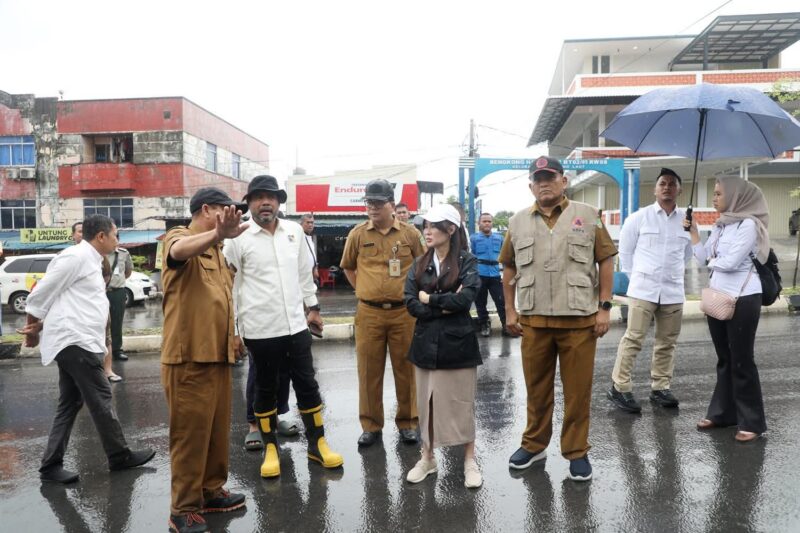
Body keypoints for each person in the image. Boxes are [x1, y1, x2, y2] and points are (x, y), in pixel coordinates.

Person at [500, 156, 617, 482]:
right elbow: (508, 267)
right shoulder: (517, 222)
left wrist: (604, 307)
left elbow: (605, 260)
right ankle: (534, 444)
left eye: (550, 177)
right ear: (531, 185)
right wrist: (510, 310)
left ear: (563, 181)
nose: (544, 183)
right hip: (534, 322)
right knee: (536, 391)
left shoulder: (589, 216)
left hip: (579, 322)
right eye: (538, 179)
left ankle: (577, 452)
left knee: (578, 393)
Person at [19, 214, 155, 485]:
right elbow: (40, 295)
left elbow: (67, 302)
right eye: (115, 234)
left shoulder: (91, 261)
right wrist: (32, 330)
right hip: (76, 342)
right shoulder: (76, 257)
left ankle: (50, 465)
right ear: (101, 236)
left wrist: (41, 325)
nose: (118, 240)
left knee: (70, 403)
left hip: (79, 340)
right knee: (101, 396)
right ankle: (119, 456)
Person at [224, 175, 343, 478]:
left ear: (278, 202)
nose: (266, 202)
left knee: (308, 385)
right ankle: (271, 449)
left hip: (296, 326)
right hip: (260, 328)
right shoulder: (237, 237)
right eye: (259, 197)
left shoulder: (293, 232)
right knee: (265, 389)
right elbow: (232, 286)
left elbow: (305, 275)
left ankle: (318, 445)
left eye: (272, 197)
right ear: (249, 202)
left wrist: (313, 308)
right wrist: (235, 331)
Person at [161, 187, 249, 533]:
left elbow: (223, 302)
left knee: (215, 431)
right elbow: (178, 252)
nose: (232, 216)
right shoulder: (181, 237)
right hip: (188, 358)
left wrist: (235, 337)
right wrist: (217, 233)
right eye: (226, 210)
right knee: (189, 435)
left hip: (218, 355)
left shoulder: (217, 250)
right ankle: (182, 507)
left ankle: (211, 491)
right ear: (207, 209)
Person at [340, 178, 426, 447]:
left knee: (407, 370)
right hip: (369, 314)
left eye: (378, 202)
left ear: (392, 204)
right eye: (369, 202)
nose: (373, 208)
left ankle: (409, 422)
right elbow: (348, 267)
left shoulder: (410, 234)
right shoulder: (357, 234)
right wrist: (365, 290)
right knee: (368, 371)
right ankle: (371, 425)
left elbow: (424, 266)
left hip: (404, 313)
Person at [404, 204, 483, 488]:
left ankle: (469, 460)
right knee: (428, 403)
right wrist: (443, 304)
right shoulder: (419, 263)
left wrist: (430, 299)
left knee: (462, 403)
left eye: (433, 225)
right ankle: (427, 458)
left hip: (458, 345)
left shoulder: (468, 261)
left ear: (451, 229)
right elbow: (410, 302)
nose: (427, 230)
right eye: (425, 225)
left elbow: (465, 301)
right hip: (426, 344)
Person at [684, 176, 769, 443]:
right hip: (718, 296)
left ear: (735, 196)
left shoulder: (749, 225)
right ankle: (723, 414)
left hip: (743, 297)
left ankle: (752, 422)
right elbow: (701, 258)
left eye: (719, 194)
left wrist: (713, 259)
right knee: (724, 359)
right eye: (714, 193)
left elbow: (731, 262)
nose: (714, 198)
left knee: (742, 360)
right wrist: (694, 232)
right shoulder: (722, 226)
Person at [608, 168, 692, 413]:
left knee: (667, 342)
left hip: (673, 291)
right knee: (633, 339)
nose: (667, 188)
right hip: (643, 290)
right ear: (655, 189)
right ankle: (620, 387)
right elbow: (625, 253)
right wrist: (637, 279)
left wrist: (670, 274)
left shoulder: (686, 222)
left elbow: (687, 254)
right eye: (662, 184)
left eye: (672, 184)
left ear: (679, 190)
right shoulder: (639, 217)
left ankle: (660, 388)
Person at [470, 212, 514, 338]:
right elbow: (471, 257)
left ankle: (506, 326)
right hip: (480, 274)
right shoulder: (473, 238)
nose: (487, 223)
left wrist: (504, 275)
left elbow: (505, 258)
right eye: (484, 221)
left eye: (489, 221)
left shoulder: (499, 238)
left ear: (492, 223)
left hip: (495, 274)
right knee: (480, 302)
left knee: (501, 301)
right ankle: (484, 324)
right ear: (479, 223)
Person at [106, 244, 133, 361]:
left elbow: (128, 272)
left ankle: (117, 350)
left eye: (116, 236)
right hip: (101, 291)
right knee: (99, 321)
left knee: (117, 321)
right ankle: (100, 350)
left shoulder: (124, 253)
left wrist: (117, 282)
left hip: (117, 292)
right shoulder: (98, 252)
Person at [101, 257, 123, 382]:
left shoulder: (101, 258)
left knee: (106, 337)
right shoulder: (72, 255)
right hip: (79, 306)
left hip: (99, 302)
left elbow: (106, 275)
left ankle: (108, 370)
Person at [301, 213, 320, 285]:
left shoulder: (310, 238)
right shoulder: (299, 237)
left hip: (310, 276)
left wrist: (315, 267)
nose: (310, 225)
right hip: (302, 277)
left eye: (312, 222)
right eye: (308, 222)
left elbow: (311, 256)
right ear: (301, 224)